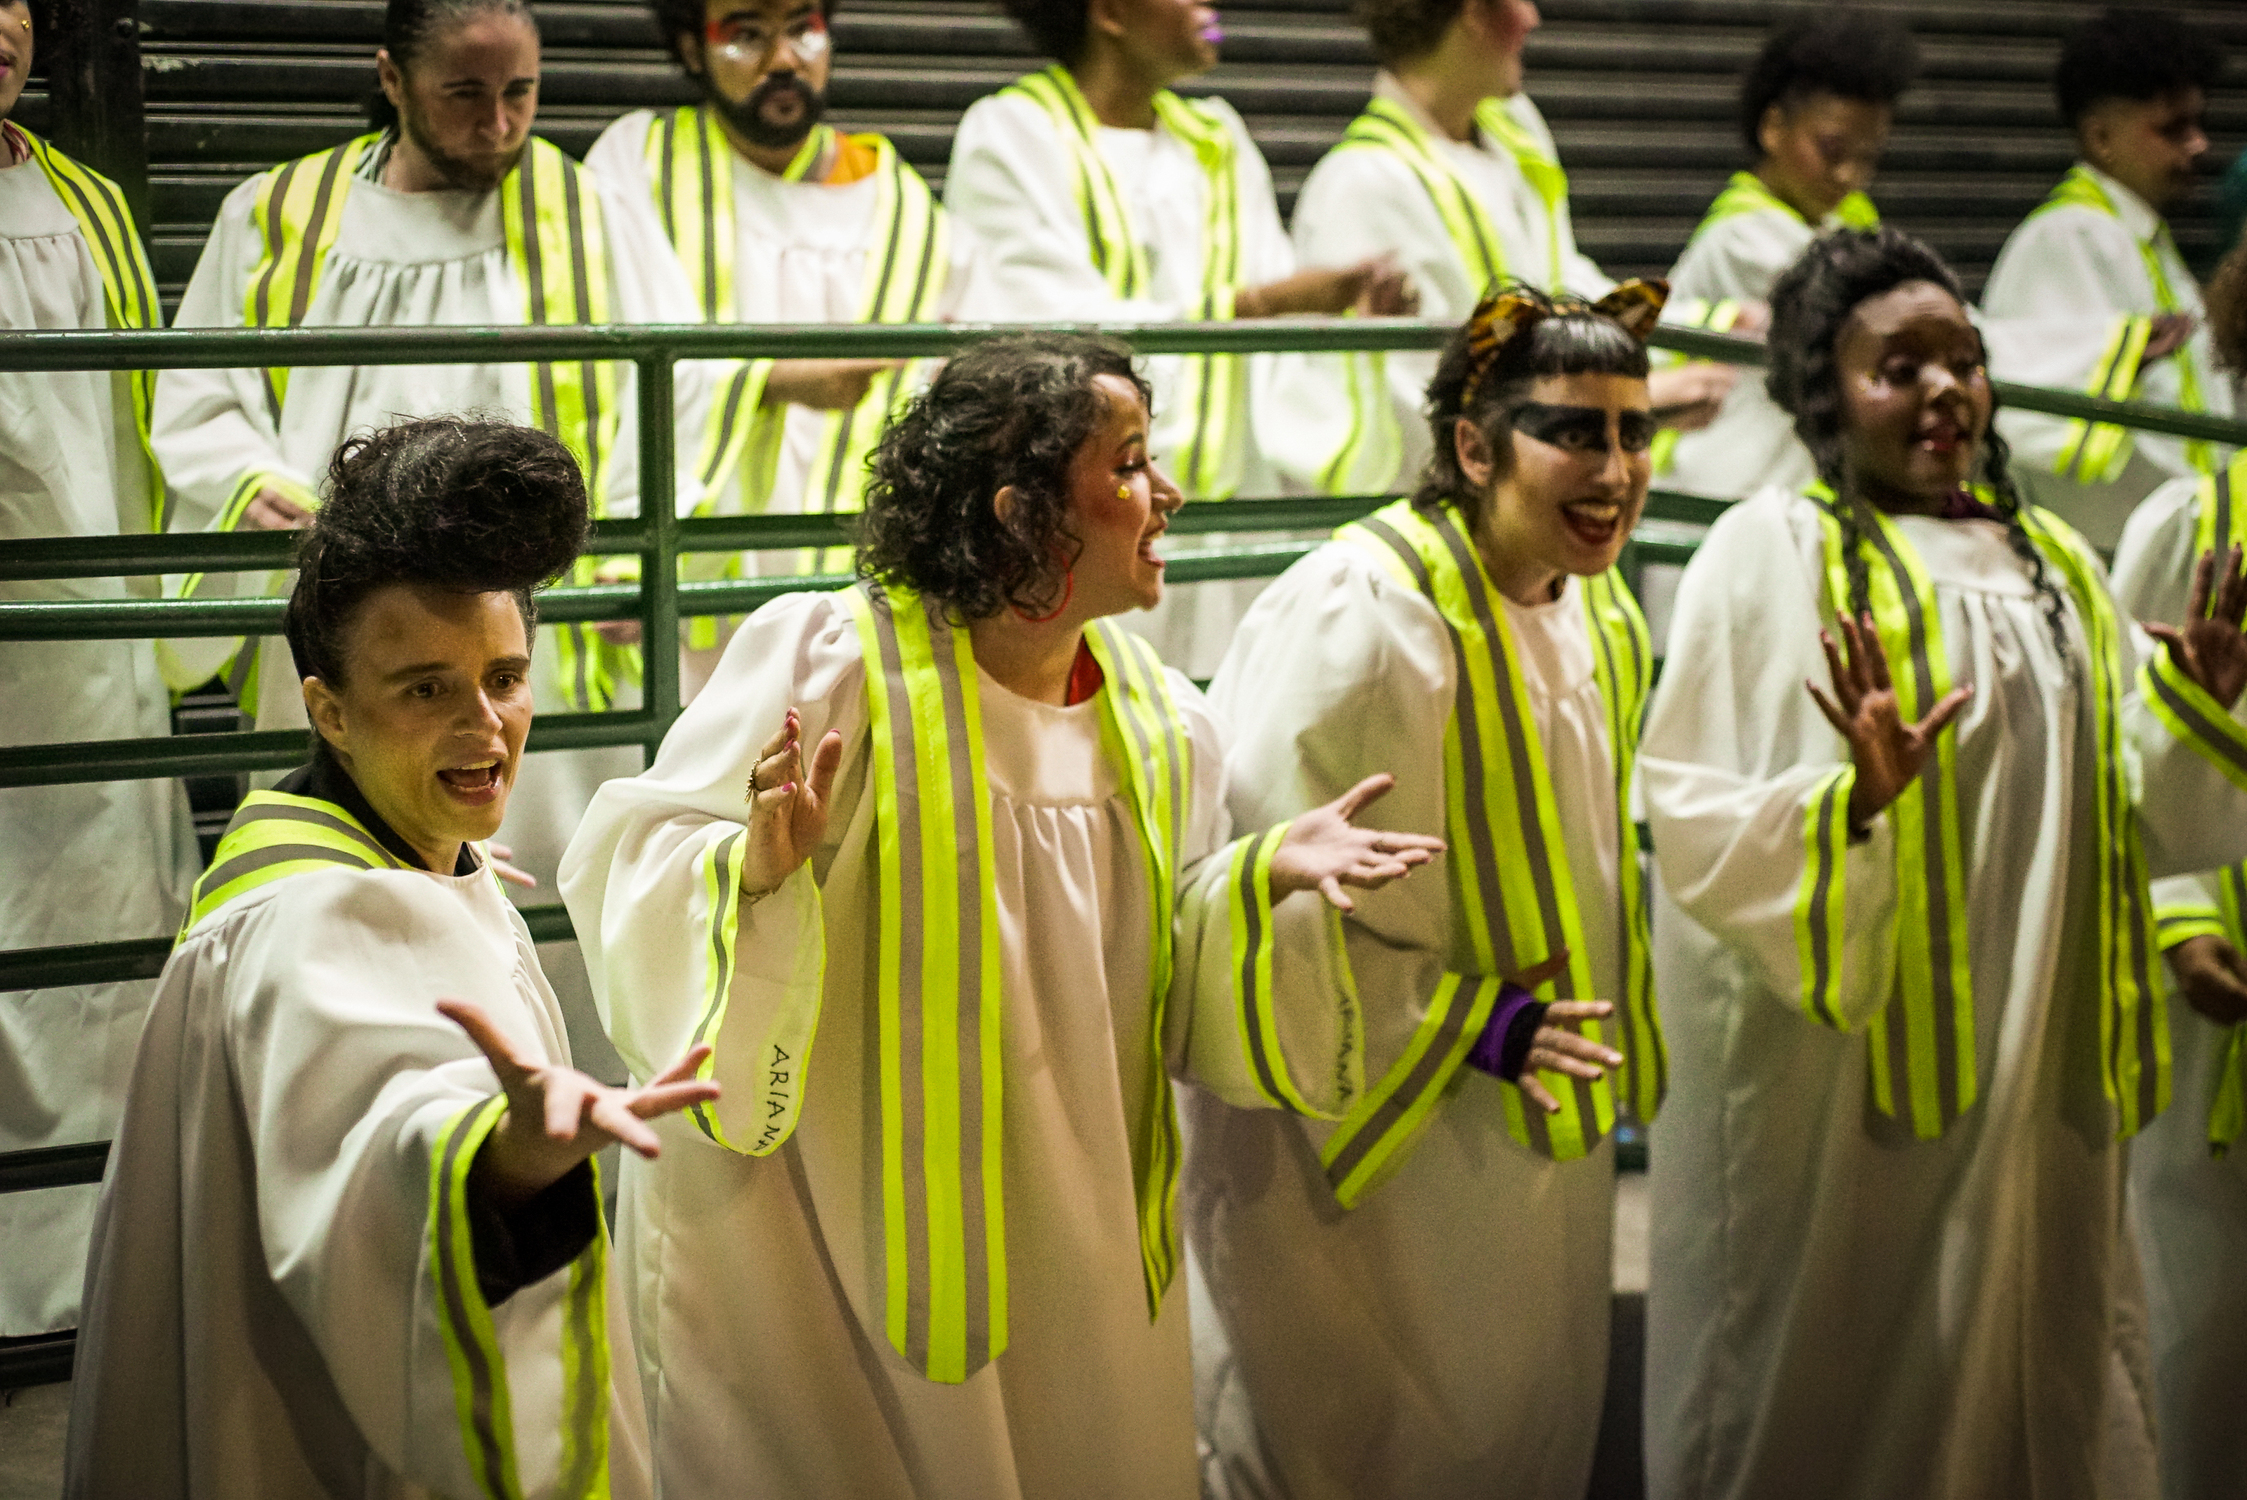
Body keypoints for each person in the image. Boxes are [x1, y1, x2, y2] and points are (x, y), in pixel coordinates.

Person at [559, 333, 1442, 1497]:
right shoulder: (832, 662)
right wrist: (751, 873)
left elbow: (1157, 960)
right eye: (1128, 467)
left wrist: (1254, 881)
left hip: (1068, 1226)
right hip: (820, 1234)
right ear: (1020, 510)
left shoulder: (1166, 721)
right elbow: (637, 853)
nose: (1165, 496)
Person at [1641, 225, 2247, 1500]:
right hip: (1850, 1083)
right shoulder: (1771, 555)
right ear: (1822, 394)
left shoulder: (2060, 574)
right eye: (1895, 366)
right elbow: (1691, 812)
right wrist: (1844, 812)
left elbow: (2137, 829)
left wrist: (2191, 715)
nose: (1941, 392)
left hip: (2047, 1077)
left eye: (1961, 360)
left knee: (2050, 1363)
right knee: (1847, 1385)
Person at [65, 417, 719, 1498]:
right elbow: (373, 1124)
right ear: (328, 709)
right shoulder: (319, 922)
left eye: (504, 676)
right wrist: (498, 1161)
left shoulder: (380, 844)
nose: (486, 726)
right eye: (425, 689)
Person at [151, 0, 709, 1077]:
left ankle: (560, 1137)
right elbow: (199, 394)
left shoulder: (596, 217)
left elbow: (672, 404)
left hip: (537, 644)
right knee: (354, 906)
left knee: (556, 918)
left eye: (523, 93)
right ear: (392, 79)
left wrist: (605, 554)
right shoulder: (274, 218)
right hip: (358, 638)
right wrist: (253, 484)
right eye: (465, 92)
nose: (500, 123)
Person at [1184, 282, 1663, 1500]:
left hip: (1529, 1120)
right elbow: (1265, 883)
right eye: (1575, 431)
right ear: (1472, 444)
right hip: (1365, 1131)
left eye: (1634, 431)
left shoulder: (1595, 609)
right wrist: (1468, 1020)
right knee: (1368, 1440)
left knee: (1524, 1425)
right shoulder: (1368, 610)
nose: (1614, 468)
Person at [944, 0, 1414, 678]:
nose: (1208, 7)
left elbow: (1275, 360)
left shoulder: (1216, 139)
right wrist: (1259, 304)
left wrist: (1342, 331)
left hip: (1227, 515)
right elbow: (1046, 335)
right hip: (1087, 526)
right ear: (1106, 11)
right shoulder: (1011, 134)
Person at [588, 0, 999, 695]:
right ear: (691, 48)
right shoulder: (639, 163)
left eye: (802, 29)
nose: (783, 60)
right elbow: (609, 362)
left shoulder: (902, 206)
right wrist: (774, 379)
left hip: (852, 590)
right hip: (682, 592)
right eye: (745, 34)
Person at [0, 0, 198, 1339]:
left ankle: (91, 1282)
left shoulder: (86, 207)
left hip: (92, 635)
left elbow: (145, 418)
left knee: (100, 945)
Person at [1275, 0, 1737, 501]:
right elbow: (1399, 403)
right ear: (1473, 12)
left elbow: (1566, 289)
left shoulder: (1514, 141)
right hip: (1447, 518)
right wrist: (1622, 408)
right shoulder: (1359, 186)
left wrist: (1709, 323)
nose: (1533, 19)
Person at [2107, 237, 2247, 1500]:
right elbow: (2124, 747)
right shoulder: (2192, 524)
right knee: (2203, 1327)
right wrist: (2182, 919)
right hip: (2221, 1002)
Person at [1982, 5, 2232, 550]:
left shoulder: (2143, 240)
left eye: (2198, 124)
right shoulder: (2070, 238)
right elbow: (2040, 418)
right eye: (2173, 129)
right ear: (2101, 138)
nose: (2199, 146)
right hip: (2110, 551)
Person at [1661, 13, 1918, 503]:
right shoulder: (1744, 239)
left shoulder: (1844, 223)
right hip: (1721, 487)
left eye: (1869, 157)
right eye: (1832, 149)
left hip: (1779, 489)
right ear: (1773, 126)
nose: (1848, 175)